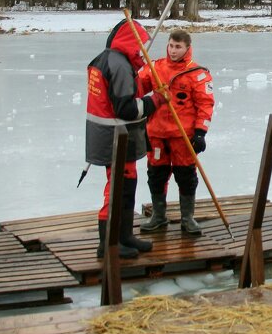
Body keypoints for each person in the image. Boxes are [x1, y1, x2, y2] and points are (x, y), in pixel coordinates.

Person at [85, 19, 163, 259]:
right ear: (131, 42)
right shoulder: (118, 65)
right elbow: (126, 108)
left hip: (118, 138)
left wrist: (144, 86)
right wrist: (156, 101)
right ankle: (108, 243)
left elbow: (124, 93)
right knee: (117, 189)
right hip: (114, 139)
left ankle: (124, 235)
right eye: (140, 45)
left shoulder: (112, 60)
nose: (142, 51)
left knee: (127, 186)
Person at [137, 29, 215, 236]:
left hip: (183, 136)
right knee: (156, 175)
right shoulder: (154, 68)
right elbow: (136, 88)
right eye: (171, 45)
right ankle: (158, 216)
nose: (173, 50)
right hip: (156, 134)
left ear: (187, 48)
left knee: (186, 176)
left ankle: (187, 218)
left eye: (178, 47)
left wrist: (200, 133)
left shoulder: (197, 74)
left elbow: (205, 105)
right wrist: (130, 69)